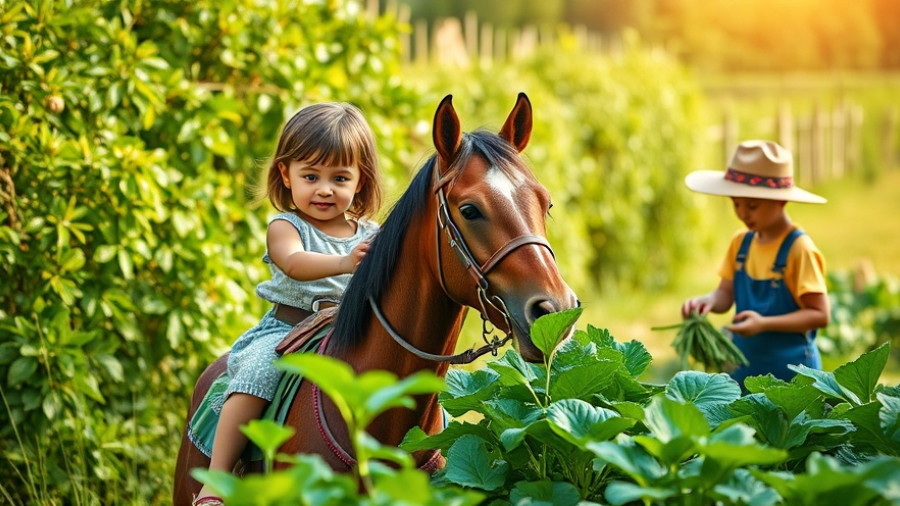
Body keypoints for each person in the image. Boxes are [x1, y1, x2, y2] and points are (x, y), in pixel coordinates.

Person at [193, 102, 382, 506]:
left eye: (340, 177)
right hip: (288, 332)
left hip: (355, 331)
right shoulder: (286, 226)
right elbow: (294, 264)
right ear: (286, 173)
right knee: (256, 372)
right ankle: (216, 482)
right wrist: (345, 262)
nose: (325, 189)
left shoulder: (372, 233)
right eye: (310, 176)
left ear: (360, 180)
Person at [680, 140, 830, 388]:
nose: (742, 214)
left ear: (781, 200)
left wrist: (764, 324)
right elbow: (724, 295)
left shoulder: (799, 249)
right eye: (736, 204)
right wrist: (706, 301)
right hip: (746, 369)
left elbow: (820, 314)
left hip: (793, 374)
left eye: (752, 206)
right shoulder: (741, 244)